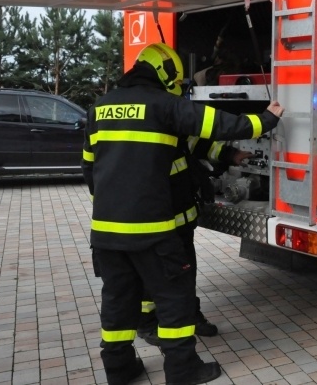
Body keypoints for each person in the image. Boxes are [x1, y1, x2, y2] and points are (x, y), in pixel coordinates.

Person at [82, 42, 283, 385]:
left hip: (106, 231)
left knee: (118, 299)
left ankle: (119, 369)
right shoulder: (165, 105)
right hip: (154, 231)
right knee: (174, 298)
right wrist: (267, 118)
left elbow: (89, 168)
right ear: (166, 74)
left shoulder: (99, 108)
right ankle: (182, 370)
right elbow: (221, 124)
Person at [136, 136, 253, 346]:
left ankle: (191, 315)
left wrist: (231, 154)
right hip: (154, 221)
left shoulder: (172, 121)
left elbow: (195, 144)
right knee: (152, 272)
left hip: (182, 219)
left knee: (186, 272)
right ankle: (147, 323)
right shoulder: (141, 129)